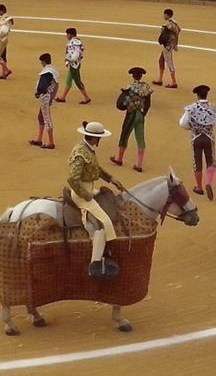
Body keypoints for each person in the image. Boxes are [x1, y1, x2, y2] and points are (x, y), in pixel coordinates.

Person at [67, 121, 126, 278]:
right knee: (104, 222)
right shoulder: (81, 153)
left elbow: (96, 169)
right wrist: (86, 195)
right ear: (94, 138)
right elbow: (72, 179)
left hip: (89, 188)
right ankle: (95, 264)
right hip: (81, 194)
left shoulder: (87, 148)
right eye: (99, 138)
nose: (100, 140)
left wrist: (111, 179)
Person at [179, 84, 216, 199]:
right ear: (206, 95)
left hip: (196, 138)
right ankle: (208, 182)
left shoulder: (192, 108)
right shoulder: (213, 108)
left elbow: (183, 124)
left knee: (197, 162)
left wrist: (192, 128)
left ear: (197, 95)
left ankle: (199, 187)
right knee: (210, 161)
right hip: (209, 138)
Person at [110, 66, 153, 171]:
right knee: (140, 138)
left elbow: (122, 104)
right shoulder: (146, 87)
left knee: (125, 135)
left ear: (133, 76)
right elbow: (148, 104)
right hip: (140, 115)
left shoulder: (130, 88)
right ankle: (139, 164)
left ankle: (119, 158)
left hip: (131, 114)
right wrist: (143, 114)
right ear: (141, 76)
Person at [55, 27, 91, 104]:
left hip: (74, 65)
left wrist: (69, 59)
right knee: (68, 81)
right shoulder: (76, 41)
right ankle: (63, 97)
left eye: (67, 34)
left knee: (78, 82)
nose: (66, 36)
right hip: (74, 64)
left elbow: (76, 54)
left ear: (71, 35)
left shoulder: (74, 43)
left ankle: (87, 98)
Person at [30, 53, 59, 149]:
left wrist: (38, 93)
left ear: (44, 61)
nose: (41, 63)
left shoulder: (46, 72)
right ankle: (39, 139)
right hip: (48, 96)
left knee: (46, 118)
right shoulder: (54, 70)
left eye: (41, 62)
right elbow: (57, 85)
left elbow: (42, 87)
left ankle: (51, 142)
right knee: (41, 116)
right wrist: (52, 97)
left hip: (44, 96)